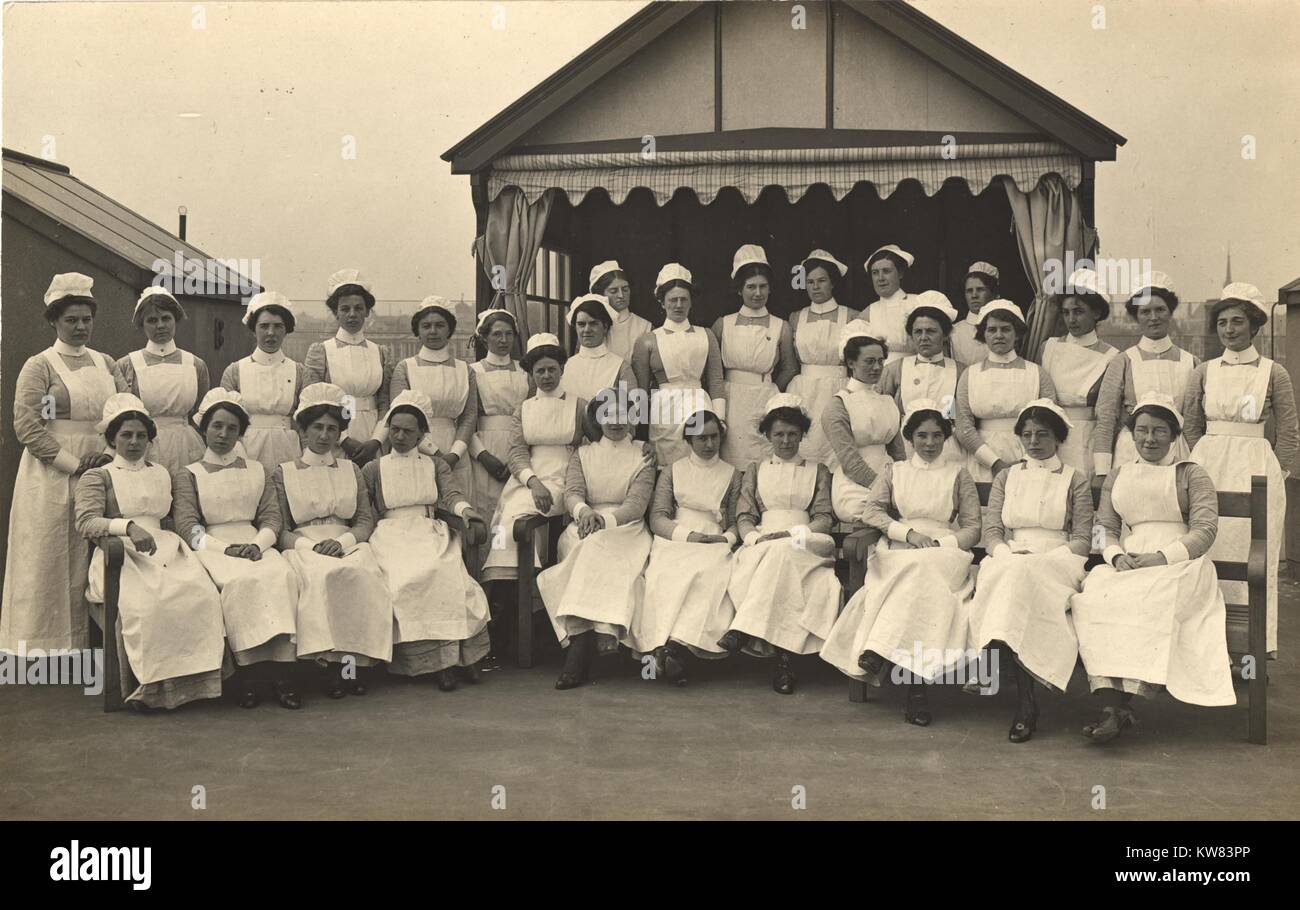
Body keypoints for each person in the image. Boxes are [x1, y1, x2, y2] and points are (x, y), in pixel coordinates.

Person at [1071, 393, 1235, 743]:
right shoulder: (1119, 474)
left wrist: (1163, 557)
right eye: (1142, 430)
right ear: (1131, 434)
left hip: (1181, 564)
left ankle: (1121, 705)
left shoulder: (1192, 474)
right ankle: (1113, 705)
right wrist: (1116, 556)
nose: (1149, 439)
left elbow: (1205, 530)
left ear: (1175, 435)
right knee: (1095, 596)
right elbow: (1106, 528)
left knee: (1148, 599)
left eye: (1159, 431)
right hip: (1130, 561)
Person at [820, 400, 981, 726]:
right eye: (922, 436)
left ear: (947, 437)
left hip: (944, 552)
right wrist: (907, 534)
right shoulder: (895, 471)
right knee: (915, 576)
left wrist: (942, 543)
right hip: (902, 544)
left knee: (920, 570)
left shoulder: (958, 474)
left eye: (937, 435)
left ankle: (879, 649)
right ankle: (915, 692)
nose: (930, 443)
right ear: (909, 438)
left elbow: (973, 526)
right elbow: (872, 512)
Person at [75, 393, 225, 711]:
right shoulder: (99, 476)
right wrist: (127, 527)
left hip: (167, 550)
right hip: (119, 555)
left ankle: (197, 684)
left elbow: (169, 517)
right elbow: (86, 522)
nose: (133, 442)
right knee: (148, 605)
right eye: (126, 435)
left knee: (202, 594)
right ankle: (152, 688)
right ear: (111, 439)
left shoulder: (161, 472)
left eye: (141, 435)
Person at [2, 272, 125, 655]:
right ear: (54, 321)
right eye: (71, 320)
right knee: (52, 554)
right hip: (53, 472)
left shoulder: (107, 363)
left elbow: (124, 411)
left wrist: (106, 457)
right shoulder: (39, 365)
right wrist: (74, 464)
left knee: (99, 552)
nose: (79, 327)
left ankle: (102, 646)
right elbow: (27, 425)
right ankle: (49, 647)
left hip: (102, 468)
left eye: (85, 319)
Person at [969, 400, 1094, 742]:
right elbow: (992, 532)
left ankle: (990, 663)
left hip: (1058, 560)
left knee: (1021, 577)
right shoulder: (1006, 477)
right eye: (1027, 435)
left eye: (1043, 434)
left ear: (1059, 438)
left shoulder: (1075, 480)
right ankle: (1025, 704)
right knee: (1014, 576)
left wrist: (1043, 559)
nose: (1034, 441)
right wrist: (1005, 552)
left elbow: (1083, 539)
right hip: (1010, 557)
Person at [1183, 282, 1297, 657]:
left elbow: (1289, 430)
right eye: (1222, 323)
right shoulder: (1203, 371)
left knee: (1253, 556)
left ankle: (1251, 651)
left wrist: (1277, 475)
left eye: (1237, 322)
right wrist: (1199, 461)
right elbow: (1190, 423)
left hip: (1254, 467)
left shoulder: (1273, 372)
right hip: (1209, 463)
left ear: (1255, 326)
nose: (1229, 330)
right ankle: (1203, 648)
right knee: (1206, 549)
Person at [172, 388, 302, 709]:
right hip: (214, 548)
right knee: (239, 584)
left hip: (255, 543)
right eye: (217, 426)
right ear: (204, 429)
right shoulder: (190, 474)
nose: (223, 434)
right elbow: (189, 527)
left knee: (281, 576)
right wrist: (223, 549)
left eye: (232, 428)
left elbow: (272, 517)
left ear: (241, 433)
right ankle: (248, 675)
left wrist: (258, 545)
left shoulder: (258, 470)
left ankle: (283, 674)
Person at [364, 390, 491, 691]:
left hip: (429, 531)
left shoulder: (434, 464)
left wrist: (466, 511)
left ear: (423, 433)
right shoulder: (374, 468)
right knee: (406, 579)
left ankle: (462, 657)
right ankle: (437, 665)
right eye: (394, 429)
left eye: (409, 431)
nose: (400, 436)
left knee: (446, 574)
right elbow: (363, 511)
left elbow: (451, 495)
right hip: (391, 535)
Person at [272, 383, 391, 699]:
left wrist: (345, 542)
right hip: (303, 545)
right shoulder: (283, 473)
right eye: (317, 428)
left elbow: (366, 520)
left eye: (332, 429)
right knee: (320, 577)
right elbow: (280, 528)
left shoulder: (352, 469)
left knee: (364, 576)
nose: (324, 436)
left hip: (346, 542)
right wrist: (310, 547)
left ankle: (348, 669)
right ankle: (320, 668)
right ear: (303, 430)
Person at [718, 394, 841, 695]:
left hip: (807, 541)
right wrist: (754, 539)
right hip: (763, 540)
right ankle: (785, 662)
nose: (786, 441)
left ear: (802, 436)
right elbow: (745, 516)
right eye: (779, 434)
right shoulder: (756, 470)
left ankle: (743, 629)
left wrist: (793, 534)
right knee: (778, 556)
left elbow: (824, 517)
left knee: (785, 551)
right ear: (768, 436)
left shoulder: (819, 470)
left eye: (792, 435)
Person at [539, 391, 655, 689]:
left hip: (626, 528)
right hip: (586, 522)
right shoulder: (584, 453)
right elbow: (572, 492)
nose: (616, 422)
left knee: (594, 548)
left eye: (623, 414)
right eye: (609, 414)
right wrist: (584, 511)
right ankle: (599, 631)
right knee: (584, 545)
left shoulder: (643, 453)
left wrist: (606, 520)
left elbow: (637, 504)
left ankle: (579, 647)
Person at [631, 409, 742, 686]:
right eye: (701, 438)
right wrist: (687, 536)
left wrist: (726, 538)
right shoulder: (672, 471)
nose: (708, 444)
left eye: (714, 437)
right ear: (688, 441)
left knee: (708, 577)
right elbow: (658, 517)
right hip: (677, 539)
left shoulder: (731, 474)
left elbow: (738, 520)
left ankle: (676, 649)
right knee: (664, 576)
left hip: (715, 540)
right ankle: (667, 649)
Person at [481, 333, 586, 598]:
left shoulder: (579, 405)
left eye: (552, 369)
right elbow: (516, 451)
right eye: (540, 371)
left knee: (527, 516)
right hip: (530, 478)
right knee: (506, 517)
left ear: (562, 369)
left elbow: (594, 445)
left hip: (567, 476)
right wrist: (533, 482)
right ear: (530, 374)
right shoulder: (525, 408)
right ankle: (512, 593)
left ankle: (539, 592)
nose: (547, 376)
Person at [1092, 271, 1197, 484]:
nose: (1153, 317)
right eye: (1145, 311)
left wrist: (1199, 461)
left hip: (1177, 450)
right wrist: (1102, 471)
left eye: (1160, 310)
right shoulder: (1123, 361)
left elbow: (1195, 421)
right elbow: (1106, 417)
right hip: (1131, 451)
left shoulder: (1192, 362)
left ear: (1170, 312)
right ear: (1136, 316)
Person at [631, 263, 725, 465]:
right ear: (662, 303)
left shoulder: (706, 335)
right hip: (664, 411)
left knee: (700, 464)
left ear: (691, 302)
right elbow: (640, 391)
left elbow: (716, 381)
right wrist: (638, 433)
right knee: (667, 468)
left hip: (699, 406)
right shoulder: (648, 340)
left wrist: (720, 420)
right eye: (673, 300)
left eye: (684, 299)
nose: (679, 305)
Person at [954, 300, 1057, 484]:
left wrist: (1027, 459)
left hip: (1030, 455)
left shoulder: (1037, 373)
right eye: (992, 330)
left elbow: (1050, 421)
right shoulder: (969, 375)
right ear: (983, 334)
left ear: (1017, 333)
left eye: (1006, 329)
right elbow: (963, 426)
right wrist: (994, 462)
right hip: (982, 459)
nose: (999, 335)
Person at [712, 244, 797, 466]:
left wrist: (768, 388)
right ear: (739, 289)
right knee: (731, 460)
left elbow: (789, 367)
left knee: (763, 460)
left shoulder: (781, 326)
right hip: (731, 401)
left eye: (763, 286)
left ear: (770, 289)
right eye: (751, 287)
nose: (757, 293)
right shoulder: (723, 324)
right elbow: (712, 370)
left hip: (764, 399)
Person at [389, 296, 479, 504]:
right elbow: (400, 418)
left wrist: (454, 455)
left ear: (450, 329)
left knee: (457, 506)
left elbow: (469, 416)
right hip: (414, 447)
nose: (433, 331)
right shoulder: (405, 367)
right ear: (417, 331)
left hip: (455, 449)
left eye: (440, 325)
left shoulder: (465, 369)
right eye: (426, 326)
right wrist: (435, 453)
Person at [303, 269, 394, 464]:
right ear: (335, 312)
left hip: (373, 433)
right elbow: (313, 403)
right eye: (345, 309)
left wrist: (376, 441)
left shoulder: (380, 352)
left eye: (359, 308)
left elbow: (385, 402)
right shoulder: (321, 351)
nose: (352, 315)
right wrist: (343, 440)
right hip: (335, 435)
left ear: (367, 311)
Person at [115, 286, 208, 473]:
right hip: (144, 445)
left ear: (175, 320)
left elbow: (201, 413)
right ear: (142, 324)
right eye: (152, 320)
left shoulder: (195, 364)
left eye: (166, 318)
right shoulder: (127, 365)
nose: (160, 325)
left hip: (186, 446)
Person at [1038, 269, 1120, 480]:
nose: (1071, 319)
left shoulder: (1112, 357)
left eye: (1078, 311)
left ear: (1096, 312)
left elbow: (1106, 417)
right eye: (1066, 313)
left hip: (1087, 442)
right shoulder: (1049, 348)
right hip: (1050, 439)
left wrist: (1102, 469)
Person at [822, 323, 904, 525]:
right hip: (855, 487)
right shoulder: (838, 404)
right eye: (869, 361)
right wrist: (884, 489)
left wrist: (902, 486)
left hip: (890, 481)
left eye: (880, 361)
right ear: (851, 363)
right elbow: (850, 463)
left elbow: (899, 455)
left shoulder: (887, 401)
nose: (877, 367)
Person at [219, 291, 308, 472]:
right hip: (246, 450)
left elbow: (307, 422)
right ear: (253, 329)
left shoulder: (299, 371)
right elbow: (226, 419)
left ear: (286, 330)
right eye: (264, 326)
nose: (270, 333)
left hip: (288, 450)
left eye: (278, 326)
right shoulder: (235, 371)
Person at [877, 290, 965, 465]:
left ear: (946, 334)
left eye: (931, 331)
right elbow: (883, 417)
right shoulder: (895, 370)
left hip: (947, 451)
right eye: (918, 332)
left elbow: (959, 418)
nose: (923, 338)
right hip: (905, 451)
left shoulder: (960, 372)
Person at [787, 249, 853, 463]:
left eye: (822, 280)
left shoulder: (850, 316)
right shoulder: (796, 317)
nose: (815, 287)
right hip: (804, 390)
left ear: (832, 283)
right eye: (810, 281)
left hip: (838, 388)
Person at [468, 309, 531, 523]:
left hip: (520, 445)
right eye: (496, 334)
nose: (503, 340)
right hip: (486, 450)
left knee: (515, 507)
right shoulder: (473, 372)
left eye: (509, 334)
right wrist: (484, 456)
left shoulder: (525, 373)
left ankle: (513, 556)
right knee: (487, 507)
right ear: (484, 338)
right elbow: (467, 421)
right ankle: (489, 556)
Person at [560, 293, 638, 425]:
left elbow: (632, 412)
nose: (587, 330)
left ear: (605, 326)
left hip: (608, 439)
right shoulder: (565, 366)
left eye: (593, 324)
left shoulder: (620, 367)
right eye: (581, 324)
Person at [861, 244, 916, 364]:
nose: (880, 278)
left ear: (900, 273)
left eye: (886, 271)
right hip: (879, 375)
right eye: (875, 273)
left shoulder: (917, 303)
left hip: (913, 372)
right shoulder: (868, 312)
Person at [589, 260, 651, 362]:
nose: (621, 295)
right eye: (614, 291)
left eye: (625, 289)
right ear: (600, 295)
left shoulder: (644, 327)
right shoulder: (590, 326)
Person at [951, 262, 999, 366]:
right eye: (969, 291)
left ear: (993, 293)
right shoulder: (954, 331)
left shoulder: (1003, 329)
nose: (974, 295)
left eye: (980, 289)